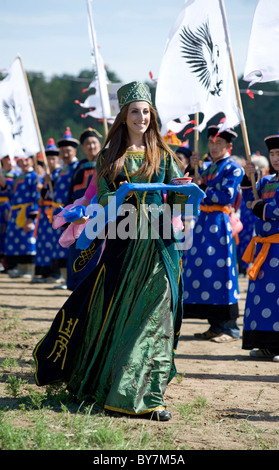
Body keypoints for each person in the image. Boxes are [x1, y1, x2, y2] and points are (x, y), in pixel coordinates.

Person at [33, 81, 203, 421]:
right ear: (123, 117)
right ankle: (116, 386)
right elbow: (102, 200)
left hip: (161, 243)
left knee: (158, 313)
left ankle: (149, 396)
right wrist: (123, 194)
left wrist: (186, 192)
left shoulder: (164, 154)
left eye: (145, 112)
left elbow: (178, 195)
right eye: (134, 112)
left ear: (151, 116)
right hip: (125, 245)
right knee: (123, 312)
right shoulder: (108, 156)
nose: (141, 117)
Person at [183, 125, 244, 342]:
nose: (214, 146)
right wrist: (193, 170)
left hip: (219, 225)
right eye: (211, 142)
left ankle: (230, 328)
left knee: (222, 272)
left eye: (218, 143)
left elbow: (226, 196)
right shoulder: (207, 168)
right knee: (205, 271)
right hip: (202, 224)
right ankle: (215, 325)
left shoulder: (234, 168)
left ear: (228, 146)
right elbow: (193, 192)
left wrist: (203, 189)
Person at [241, 134, 279, 361]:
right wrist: (249, 178)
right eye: (273, 154)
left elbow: (272, 209)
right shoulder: (265, 181)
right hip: (265, 251)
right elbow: (249, 201)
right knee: (263, 298)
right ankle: (266, 344)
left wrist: (260, 207)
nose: (275, 158)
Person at [66, 128, 102, 290]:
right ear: (82, 147)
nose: (91, 146)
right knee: (77, 250)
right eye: (87, 143)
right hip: (78, 213)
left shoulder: (105, 163)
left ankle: (91, 286)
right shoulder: (79, 167)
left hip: (98, 213)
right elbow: (71, 190)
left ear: (100, 144)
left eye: (94, 142)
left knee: (94, 250)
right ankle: (77, 286)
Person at [49, 127, 79, 288]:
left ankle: (69, 277)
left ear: (74, 151)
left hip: (71, 211)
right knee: (59, 244)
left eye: (69, 151)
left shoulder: (77, 168)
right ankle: (62, 276)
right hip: (58, 212)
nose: (66, 154)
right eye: (63, 151)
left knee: (69, 243)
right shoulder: (62, 170)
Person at [3, 153, 41, 278]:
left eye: (27, 160)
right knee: (17, 240)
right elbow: (10, 195)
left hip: (27, 212)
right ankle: (20, 267)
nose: (24, 163)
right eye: (21, 160)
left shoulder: (34, 177)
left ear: (32, 161)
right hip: (16, 213)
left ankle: (29, 268)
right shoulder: (17, 177)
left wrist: (31, 218)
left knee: (27, 240)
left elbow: (36, 198)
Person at [32, 139, 61, 283]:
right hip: (45, 214)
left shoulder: (60, 174)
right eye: (48, 157)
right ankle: (43, 271)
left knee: (53, 242)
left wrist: (52, 183)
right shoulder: (44, 177)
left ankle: (54, 272)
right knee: (43, 242)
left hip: (55, 212)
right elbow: (43, 198)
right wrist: (41, 192)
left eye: (53, 157)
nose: (50, 160)